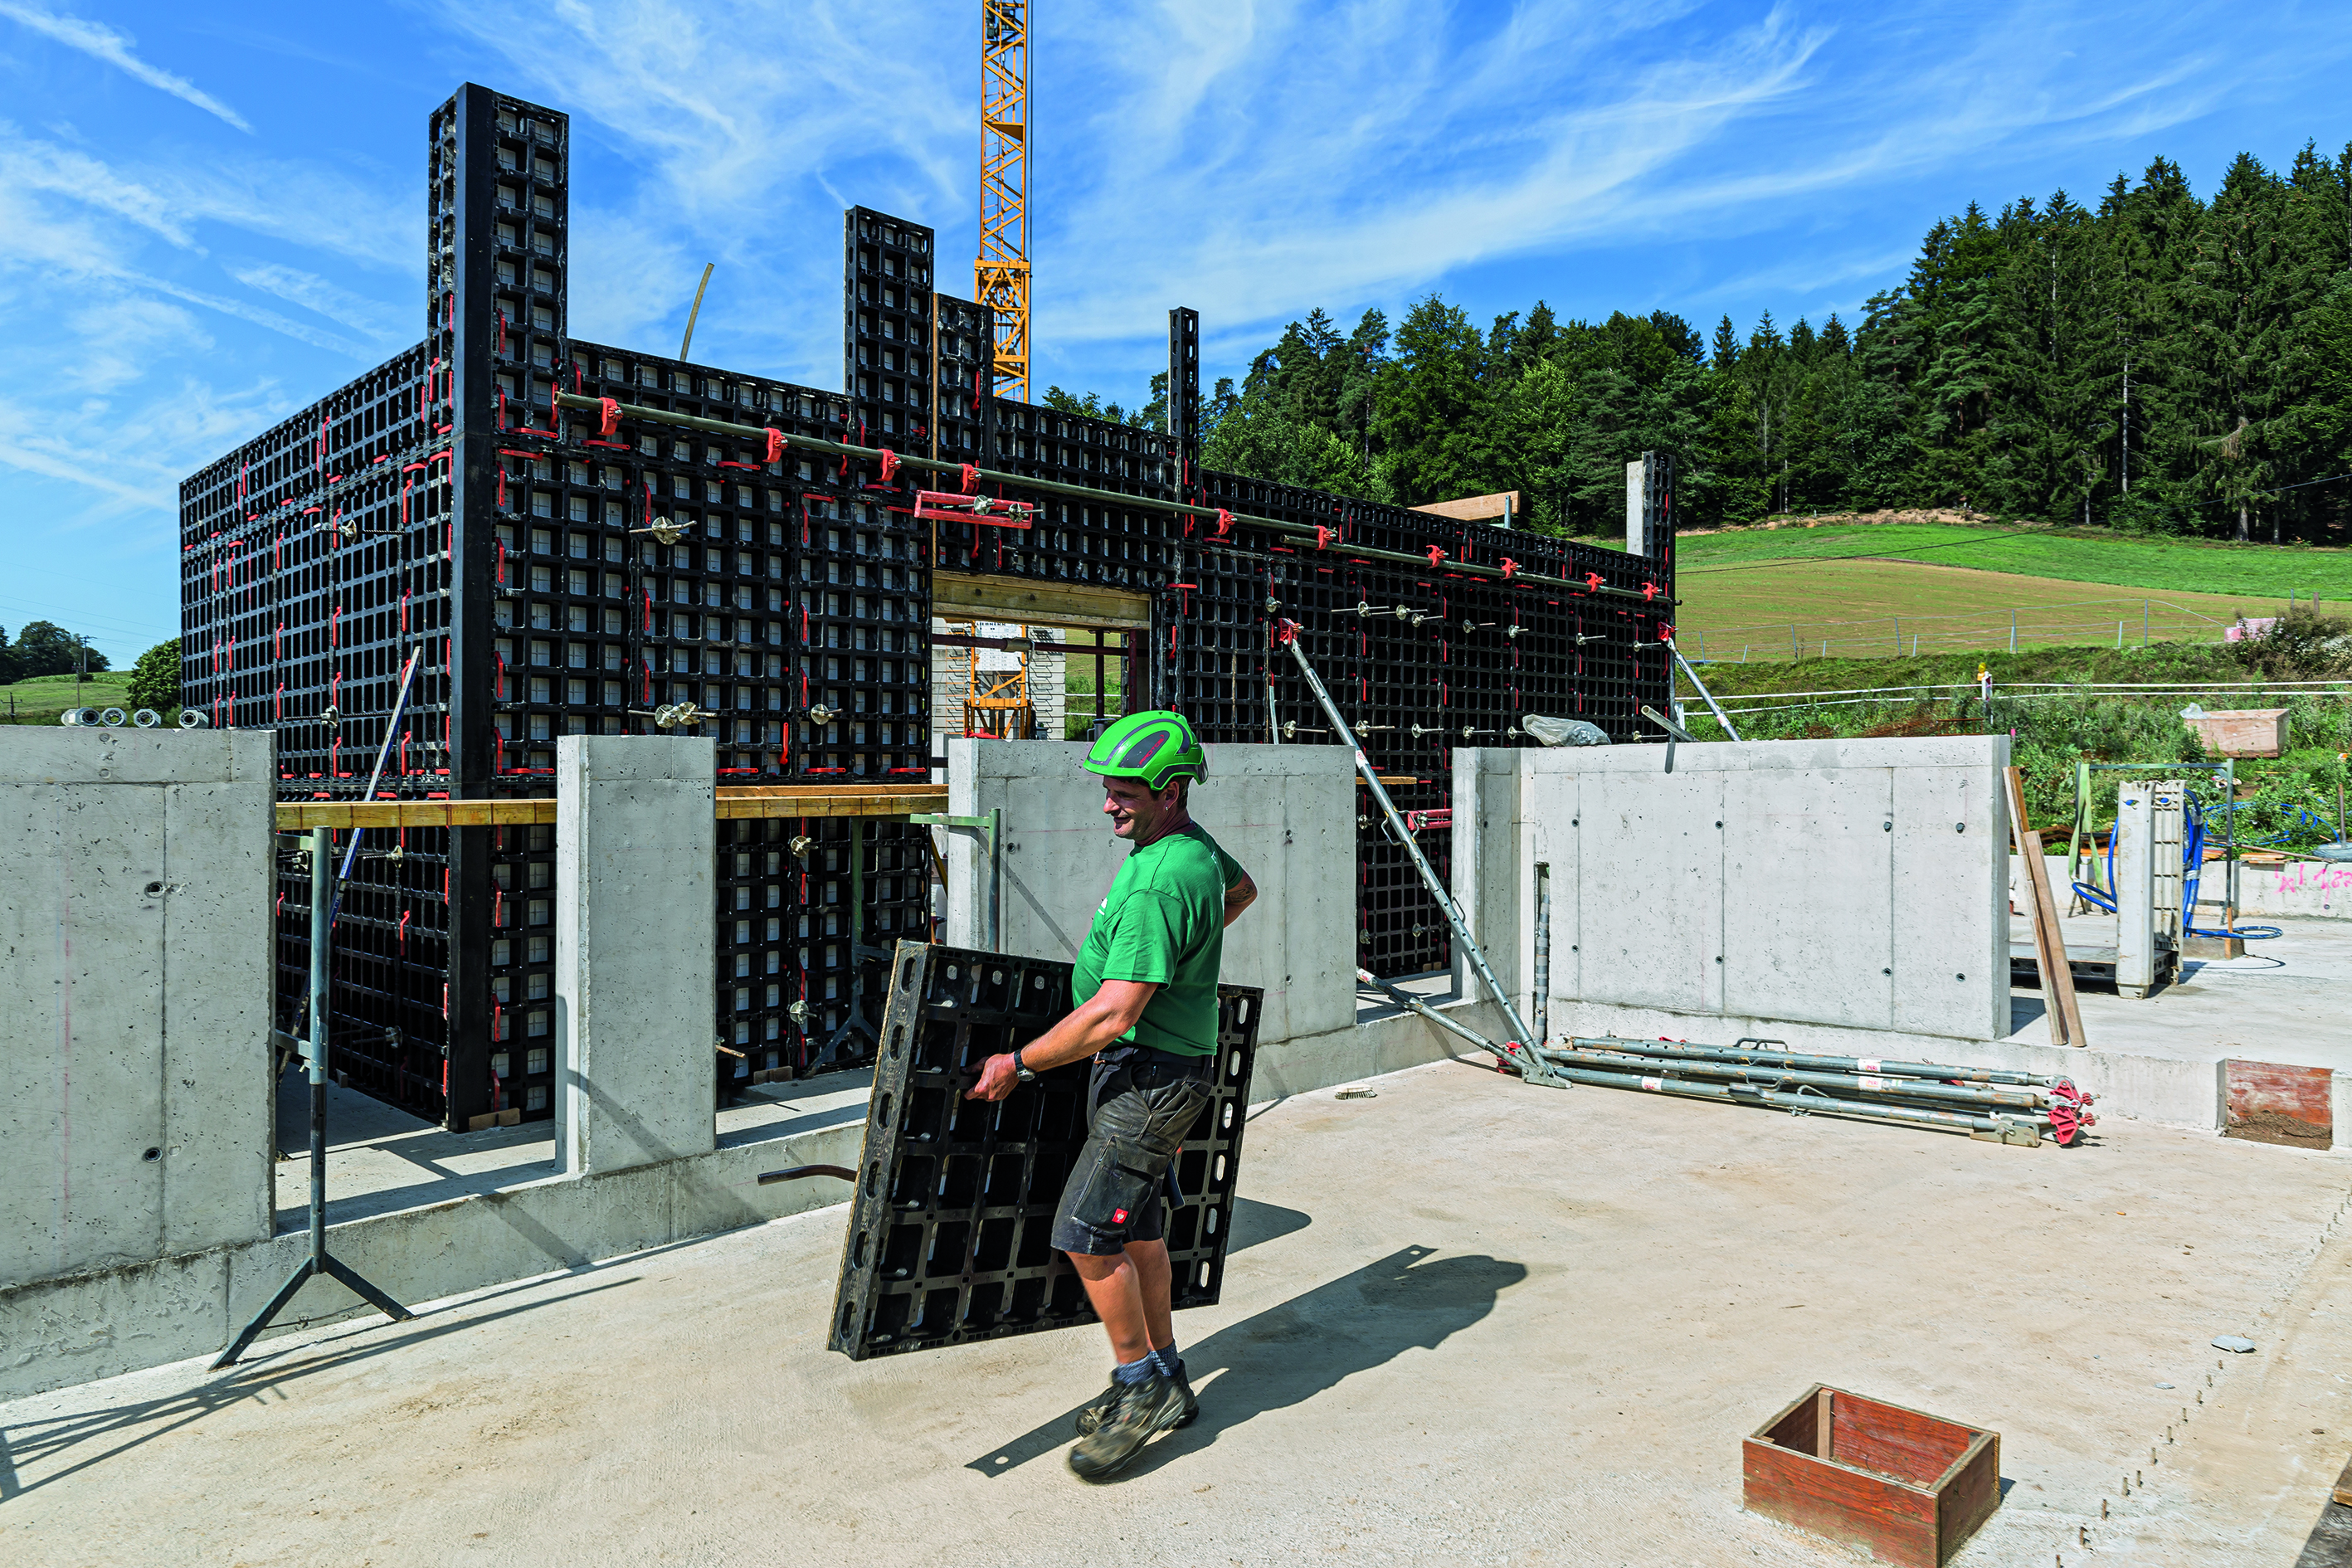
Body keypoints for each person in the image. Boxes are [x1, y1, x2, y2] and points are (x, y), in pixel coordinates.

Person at [963, 710, 1256, 1480]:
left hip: (1149, 1077)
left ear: (1169, 789)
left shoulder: (1160, 882)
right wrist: (1187, 962)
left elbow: (1112, 1012)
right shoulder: (1189, 850)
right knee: (1141, 1235)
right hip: (1165, 1064)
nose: (1106, 805)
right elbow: (1241, 890)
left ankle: (1136, 1389)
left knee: (1086, 1234)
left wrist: (1020, 1064)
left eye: (1122, 791)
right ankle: (1168, 1377)